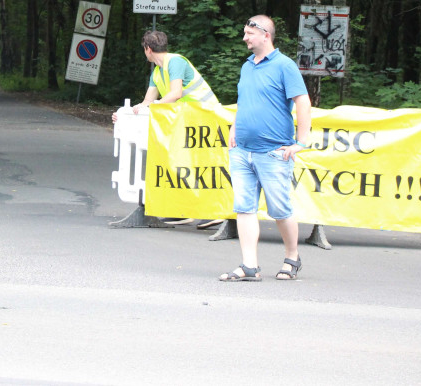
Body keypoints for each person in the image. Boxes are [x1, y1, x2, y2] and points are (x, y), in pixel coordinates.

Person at [219, 15, 311, 282]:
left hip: (273, 152)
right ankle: (250, 266)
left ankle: (292, 257)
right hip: (242, 151)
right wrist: (234, 127)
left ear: (265, 35)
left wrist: (300, 143)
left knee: (280, 210)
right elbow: (244, 100)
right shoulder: (247, 66)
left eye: (249, 33)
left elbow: (303, 103)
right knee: (244, 208)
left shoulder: (285, 66)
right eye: (245, 32)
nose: (245, 38)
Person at [111, 29, 222, 227]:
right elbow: (147, 102)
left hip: (206, 118)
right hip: (188, 121)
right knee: (181, 163)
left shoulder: (175, 62)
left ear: (147, 49)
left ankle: (215, 210)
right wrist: (125, 115)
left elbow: (176, 93)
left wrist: (154, 105)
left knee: (202, 165)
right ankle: (182, 209)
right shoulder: (157, 72)